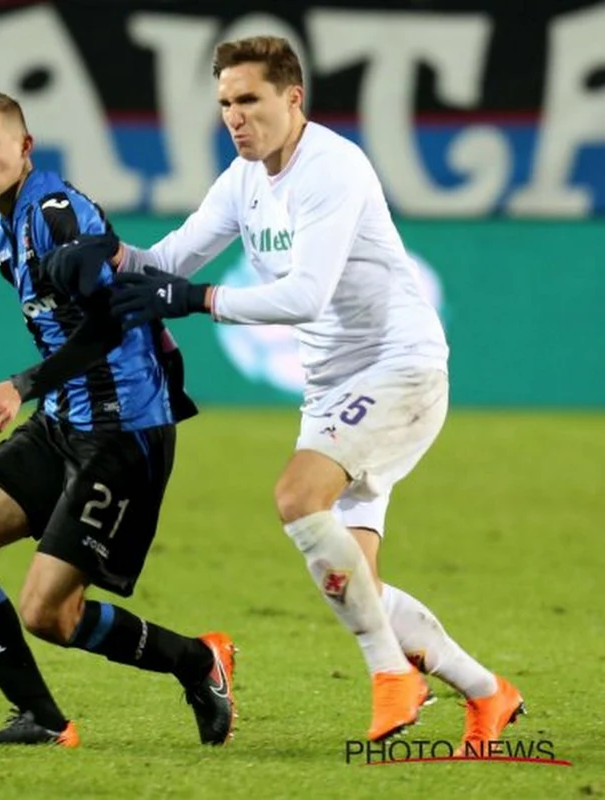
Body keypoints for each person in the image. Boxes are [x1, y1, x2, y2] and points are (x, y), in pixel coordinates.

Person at [49, 36, 524, 749]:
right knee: (351, 585)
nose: (235, 118)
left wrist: (201, 300)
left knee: (297, 498)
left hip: (400, 367)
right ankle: (489, 693)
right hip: (334, 389)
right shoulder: (244, 179)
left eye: (249, 100)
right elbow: (171, 260)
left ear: (292, 98)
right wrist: (109, 253)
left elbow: (304, 294)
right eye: (224, 104)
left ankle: (394, 676)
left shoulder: (331, 168)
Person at [0, 90, 236, 752]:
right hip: (63, 420)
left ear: (24, 147)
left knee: (48, 615)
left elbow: (109, 308)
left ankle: (196, 662)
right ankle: (40, 720)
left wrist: (21, 385)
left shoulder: (56, 211)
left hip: (121, 434)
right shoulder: (4, 230)